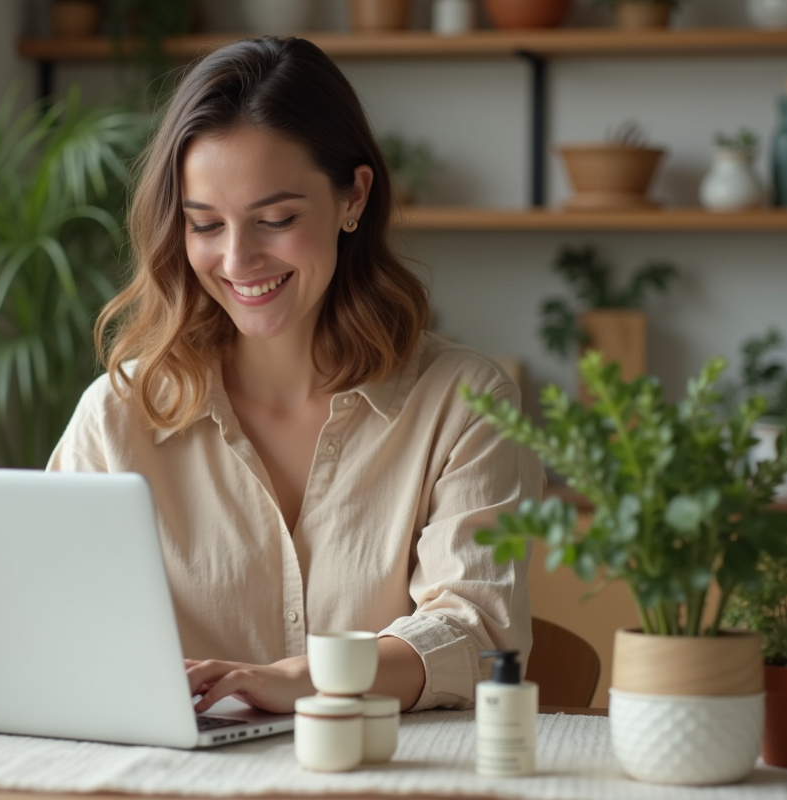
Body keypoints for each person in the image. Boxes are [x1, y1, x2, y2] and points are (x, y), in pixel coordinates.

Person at [48, 36, 541, 715]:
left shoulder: (463, 405)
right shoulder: (117, 414)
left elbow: (475, 634)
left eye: (275, 219)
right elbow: (53, 627)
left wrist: (304, 679)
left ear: (353, 198)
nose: (237, 258)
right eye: (205, 225)